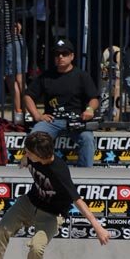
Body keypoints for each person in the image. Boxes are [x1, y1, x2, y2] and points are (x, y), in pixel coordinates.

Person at [23, 37, 100, 168]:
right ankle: (40, 170)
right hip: (52, 121)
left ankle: (85, 174)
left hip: (77, 121)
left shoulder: (82, 76)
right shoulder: (46, 75)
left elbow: (94, 98)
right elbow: (28, 95)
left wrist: (89, 110)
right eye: (57, 54)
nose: (60, 57)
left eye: (64, 54)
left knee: (87, 139)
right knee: (34, 137)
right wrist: (37, 115)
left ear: (72, 56)